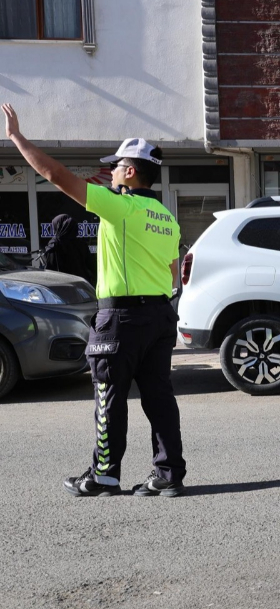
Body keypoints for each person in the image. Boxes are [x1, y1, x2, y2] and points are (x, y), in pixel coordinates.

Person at [3, 104, 186, 497]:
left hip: (121, 318)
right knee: (159, 398)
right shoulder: (166, 217)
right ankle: (168, 475)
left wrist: (16, 137)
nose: (112, 171)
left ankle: (103, 475)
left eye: (117, 165)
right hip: (158, 315)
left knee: (109, 394)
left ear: (131, 171)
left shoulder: (119, 207)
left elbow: (56, 175)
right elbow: (173, 272)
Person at [39, 214, 96, 286]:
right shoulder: (81, 244)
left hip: (62, 288)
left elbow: (50, 273)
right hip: (82, 287)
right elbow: (92, 266)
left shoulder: (54, 245)